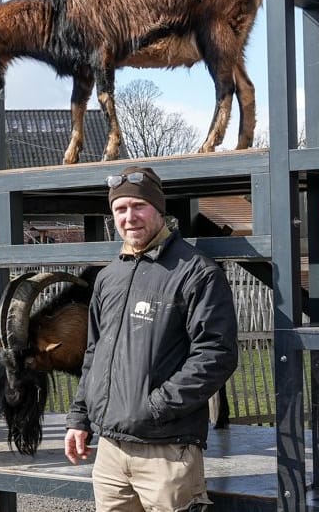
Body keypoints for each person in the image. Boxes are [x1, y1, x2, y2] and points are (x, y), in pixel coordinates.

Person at [65, 165, 239, 512]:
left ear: (159, 209)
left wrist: (155, 408)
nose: (129, 217)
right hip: (111, 454)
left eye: (138, 206)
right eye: (120, 209)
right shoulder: (108, 277)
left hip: (167, 451)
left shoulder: (196, 272)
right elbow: (94, 353)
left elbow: (216, 355)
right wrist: (79, 419)